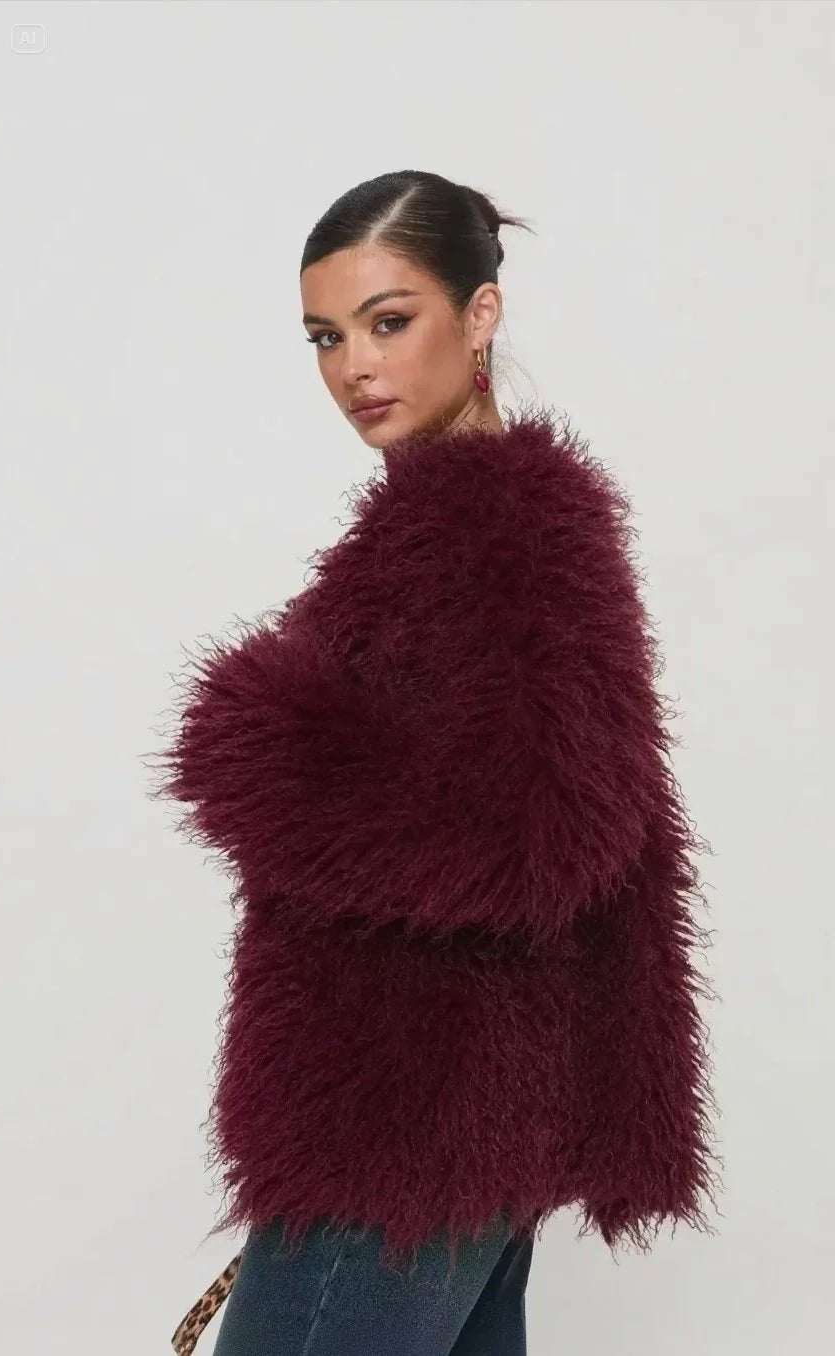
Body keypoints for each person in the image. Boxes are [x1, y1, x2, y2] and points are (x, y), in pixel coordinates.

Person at [150, 170, 722, 1356]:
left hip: (401, 1131)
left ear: (480, 314)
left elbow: (543, 835)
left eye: (389, 320)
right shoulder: (456, 526)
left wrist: (258, 748)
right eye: (325, 336)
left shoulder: (493, 527)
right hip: (454, 1123)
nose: (354, 367)